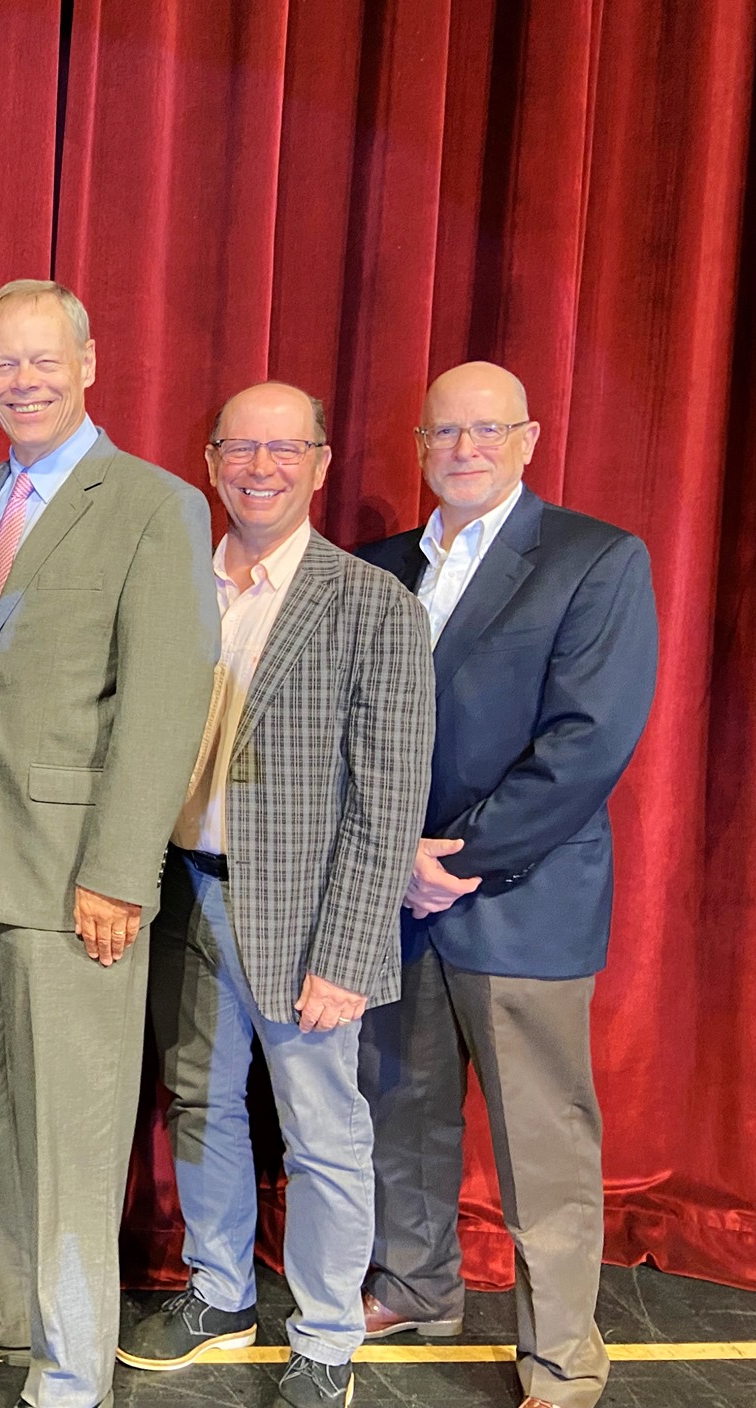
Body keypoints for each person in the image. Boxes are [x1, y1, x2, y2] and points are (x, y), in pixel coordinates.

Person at [0, 279, 218, 1408]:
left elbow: (166, 706)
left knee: (75, 1133)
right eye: (1, 363)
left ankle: (71, 1362)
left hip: (77, 876)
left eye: (42, 360)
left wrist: (119, 874)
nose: (20, 381)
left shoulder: (153, 503)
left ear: (88, 360)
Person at [117, 382, 433, 1407]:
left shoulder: (369, 603)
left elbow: (388, 798)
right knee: (198, 1101)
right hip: (180, 896)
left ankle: (327, 1338)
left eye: (281, 449)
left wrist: (346, 952)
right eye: (238, 449)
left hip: (301, 918)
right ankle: (218, 1292)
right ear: (207, 462)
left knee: (319, 1128)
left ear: (321, 464)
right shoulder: (172, 587)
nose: (259, 467)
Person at [355, 361, 657, 1408]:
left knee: (541, 1142)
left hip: (517, 899)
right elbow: (343, 730)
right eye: (444, 431)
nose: (465, 448)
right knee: (401, 1108)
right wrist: (392, 855)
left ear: (528, 440)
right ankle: (416, 1284)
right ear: (419, 442)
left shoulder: (592, 560)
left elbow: (585, 744)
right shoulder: (375, 566)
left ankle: (561, 1358)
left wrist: (459, 860)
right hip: (390, 895)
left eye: (488, 430)